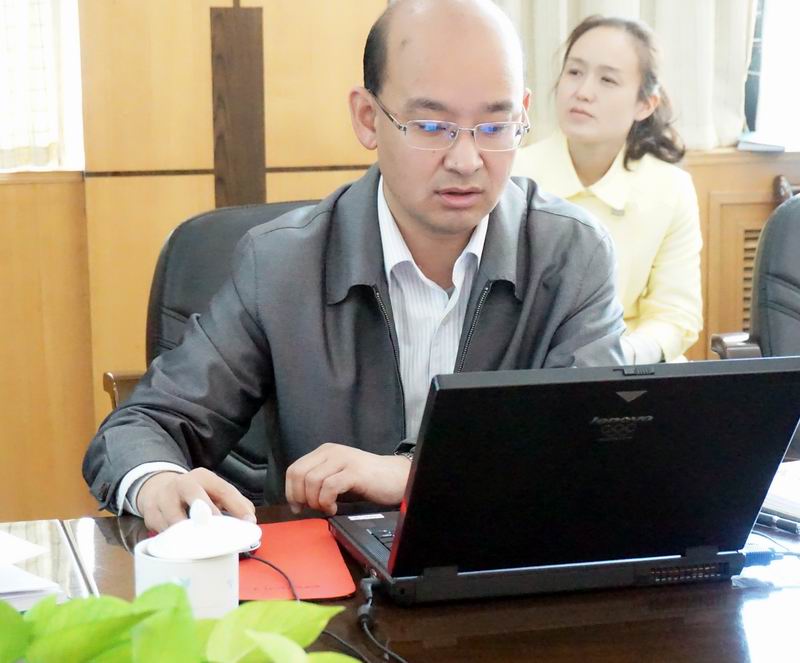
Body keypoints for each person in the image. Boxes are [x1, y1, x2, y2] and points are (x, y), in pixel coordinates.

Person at [83, 0, 625, 532]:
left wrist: (411, 475)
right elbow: (143, 425)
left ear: (523, 114)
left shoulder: (570, 255)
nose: (466, 160)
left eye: (494, 126)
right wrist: (157, 482)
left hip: (505, 561)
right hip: (329, 575)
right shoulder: (280, 266)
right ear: (368, 118)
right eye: (431, 126)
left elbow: (601, 448)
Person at [514, 15, 702, 364]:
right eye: (574, 72)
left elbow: (676, 315)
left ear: (645, 104)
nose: (583, 91)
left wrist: (618, 356)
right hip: (530, 367)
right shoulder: (514, 174)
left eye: (607, 79)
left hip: (629, 367)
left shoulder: (671, 189)